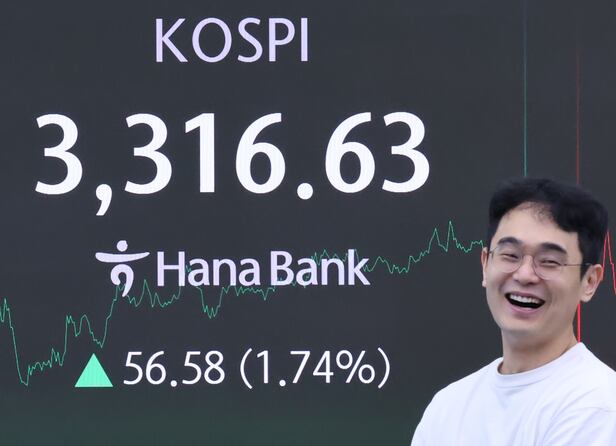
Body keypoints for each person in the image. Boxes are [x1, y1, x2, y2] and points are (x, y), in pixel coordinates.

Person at [411, 178, 616, 445]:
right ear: (485, 264)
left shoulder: (597, 405)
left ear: (589, 282)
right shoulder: (448, 406)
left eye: (549, 261)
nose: (525, 275)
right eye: (510, 255)